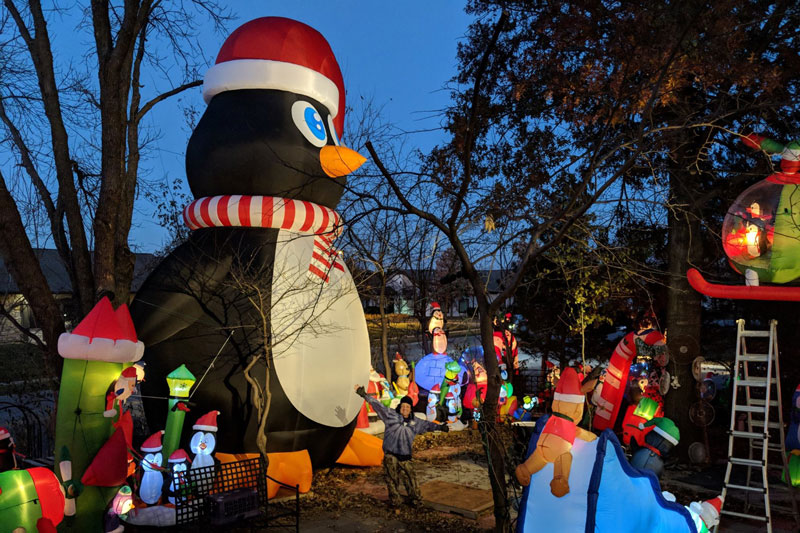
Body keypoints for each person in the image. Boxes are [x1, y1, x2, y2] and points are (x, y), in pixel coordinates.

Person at [355, 384, 448, 506]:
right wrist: (364, 395)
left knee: (411, 479)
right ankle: (395, 500)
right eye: (403, 406)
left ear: (410, 408)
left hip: (405, 457)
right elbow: (378, 405)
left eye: (407, 406)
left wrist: (440, 427)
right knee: (392, 479)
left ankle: (415, 499)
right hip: (391, 455)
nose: (405, 408)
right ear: (400, 406)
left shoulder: (415, 422)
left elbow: (428, 425)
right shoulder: (390, 415)